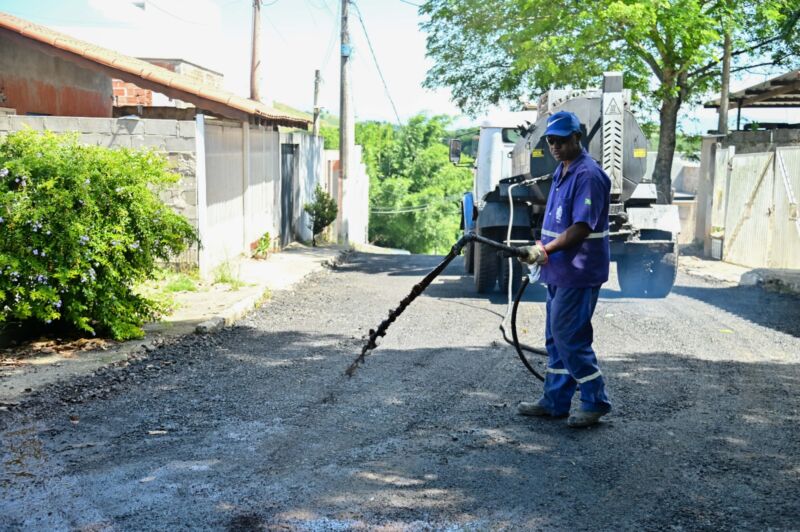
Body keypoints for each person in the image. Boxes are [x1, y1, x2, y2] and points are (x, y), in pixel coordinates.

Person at [517, 110, 612, 428]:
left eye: (561, 140)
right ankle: (555, 402)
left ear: (577, 138)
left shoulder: (588, 175)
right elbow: (556, 221)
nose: (555, 146)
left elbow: (581, 228)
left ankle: (595, 400)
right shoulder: (562, 170)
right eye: (550, 141)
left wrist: (543, 249)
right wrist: (538, 251)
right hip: (558, 270)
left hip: (579, 272)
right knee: (555, 339)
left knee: (569, 336)